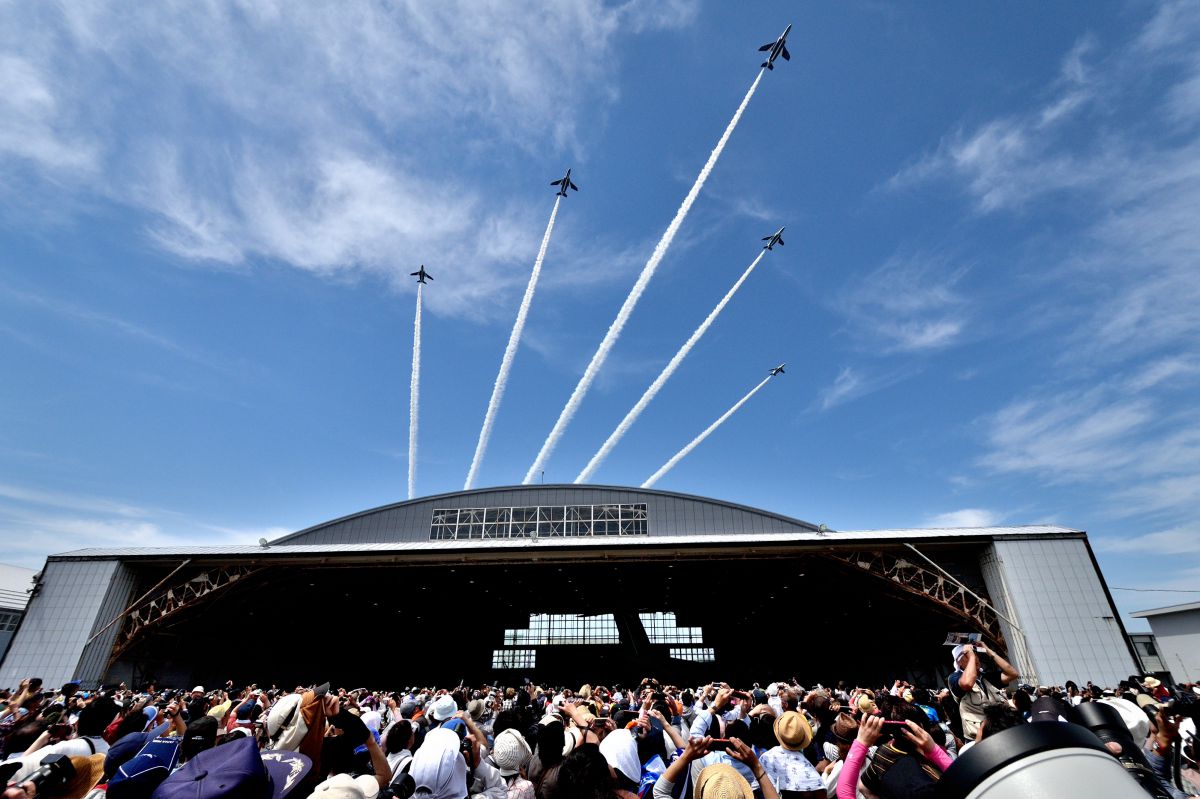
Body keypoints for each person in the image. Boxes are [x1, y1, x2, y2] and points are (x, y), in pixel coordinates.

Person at [947, 641, 1018, 739]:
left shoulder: (985, 677)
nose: (975, 657)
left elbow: (1013, 673)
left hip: (999, 732)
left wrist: (988, 651)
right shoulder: (954, 678)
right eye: (968, 656)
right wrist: (971, 656)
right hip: (977, 738)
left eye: (976, 654)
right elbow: (967, 683)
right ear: (959, 662)